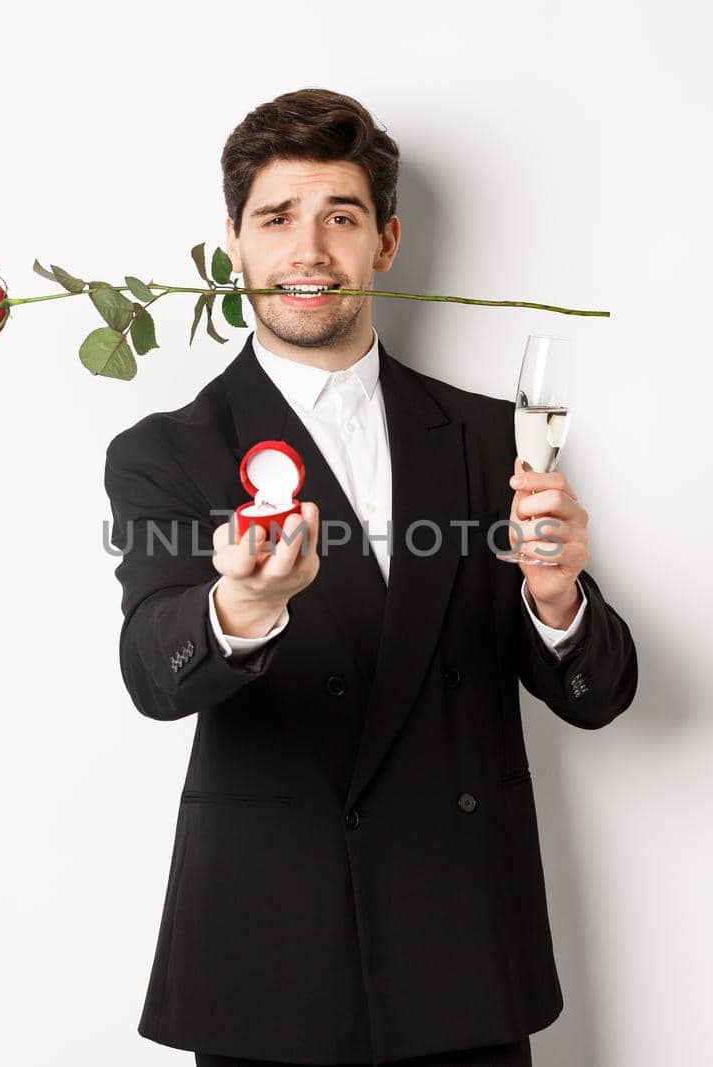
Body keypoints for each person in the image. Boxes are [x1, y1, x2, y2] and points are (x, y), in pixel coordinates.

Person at [102, 88, 639, 1067]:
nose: (308, 248)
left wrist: (556, 599)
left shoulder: (489, 437)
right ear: (234, 242)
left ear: (384, 241)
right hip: (269, 960)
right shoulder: (168, 451)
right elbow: (151, 668)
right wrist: (240, 608)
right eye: (277, 217)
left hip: (463, 948)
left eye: (340, 217)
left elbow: (597, 693)